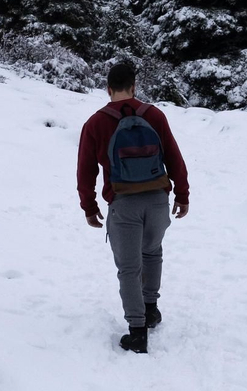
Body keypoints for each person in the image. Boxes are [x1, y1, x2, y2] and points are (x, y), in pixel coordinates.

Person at [77, 59, 189, 353]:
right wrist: (182, 194)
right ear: (134, 86)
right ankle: (150, 310)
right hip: (157, 200)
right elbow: (174, 157)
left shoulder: (95, 123)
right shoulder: (154, 115)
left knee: (129, 268)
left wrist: (89, 206)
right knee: (152, 253)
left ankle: (137, 332)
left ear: (108, 88)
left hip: (124, 203)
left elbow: (85, 170)